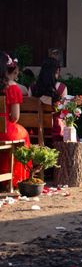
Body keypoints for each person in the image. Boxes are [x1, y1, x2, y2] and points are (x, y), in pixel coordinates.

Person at [0, 52, 31, 187]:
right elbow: (15, 117)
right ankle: (15, 178)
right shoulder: (12, 88)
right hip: (4, 129)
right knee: (24, 134)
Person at [29, 57, 68, 141]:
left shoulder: (32, 87)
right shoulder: (61, 88)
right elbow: (64, 113)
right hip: (56, 130)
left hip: (35, 129)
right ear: (57, 71)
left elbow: (30, 110)